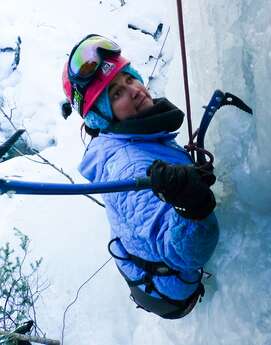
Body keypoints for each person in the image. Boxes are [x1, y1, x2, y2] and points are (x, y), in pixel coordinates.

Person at [61, 34, 219, 319]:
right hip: (174, 294)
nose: (133, 90)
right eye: (116, 95)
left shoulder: (133, 137)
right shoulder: (129, 167)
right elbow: (186, 253)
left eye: (129, 80)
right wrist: (191, 205)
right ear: (102, 116)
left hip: (148, 276)